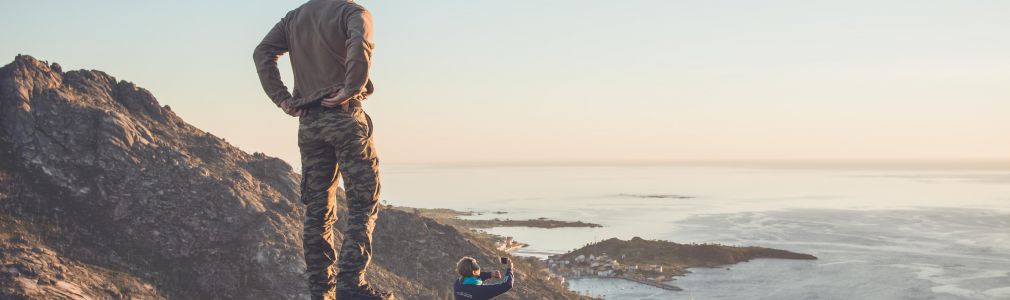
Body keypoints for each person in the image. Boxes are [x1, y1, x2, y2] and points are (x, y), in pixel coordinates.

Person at [252, 0, 388, 299]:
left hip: (310, 122)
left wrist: (282, 98)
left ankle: (321, 290)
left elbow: (262, 52)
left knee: (318, 210)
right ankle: (351, 284)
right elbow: (360, 43)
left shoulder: (294, 18)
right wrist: (351, 87)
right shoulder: (353, 12)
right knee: (363, 202)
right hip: (344, 116)